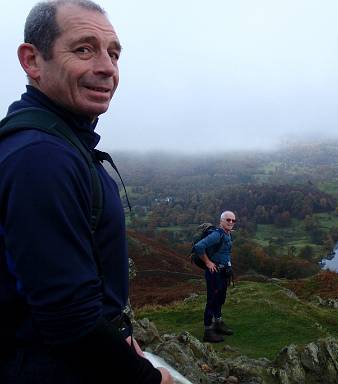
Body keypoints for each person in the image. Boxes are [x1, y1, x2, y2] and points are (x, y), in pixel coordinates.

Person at [0, 1, 173, 383]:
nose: (107, 68)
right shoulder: (40, 157)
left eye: (114, 54)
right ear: (32, 61)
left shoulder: (55, 141)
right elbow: (69, 322)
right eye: (84, 49)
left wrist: (118, 336)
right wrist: (152, 379)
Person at [194, 211, 236, 343]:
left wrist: (228, 266)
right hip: (214, 272)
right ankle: (208, 331)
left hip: (223, 272)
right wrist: (208, 262)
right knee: (212, 300)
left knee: (220, 298)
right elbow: (199, 246)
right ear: (221, 221)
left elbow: (225, 252)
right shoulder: (217, 234)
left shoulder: (227, 234)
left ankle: (218, 322)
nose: (230, 222)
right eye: (228, 220)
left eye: (233, 220)